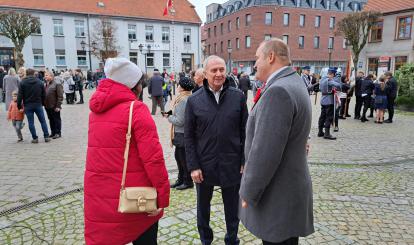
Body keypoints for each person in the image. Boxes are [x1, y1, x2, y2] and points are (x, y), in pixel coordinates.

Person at [84, 58, 170, 245]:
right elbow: (153, 159)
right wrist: (162, 196)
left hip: (101, 196)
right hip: (135, 197)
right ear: (135, 85)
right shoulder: (136, 110)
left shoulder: (96, 111)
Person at [239, 38, 314, 245]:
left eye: (257, 58)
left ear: (270, 57)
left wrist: (248, 191)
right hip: (289, 191)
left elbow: (265, 153)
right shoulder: (294, 81)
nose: (254, 65)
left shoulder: (278, 91)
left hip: (278, 195)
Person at [185, 55, 248, 245]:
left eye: (222, 69)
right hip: (204, 164)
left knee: (232, 208)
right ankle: (206, 240)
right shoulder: (194, 100)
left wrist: (244, 160)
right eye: (214, 70)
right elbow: (188, 137)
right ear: (205, 74)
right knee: (203, 207)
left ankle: (231, 239)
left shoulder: (238, 97)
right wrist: (193, 166)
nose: (219, 74)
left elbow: (245, 131)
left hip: (232, 162)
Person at [164, 77, 194, 190]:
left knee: (183, 159)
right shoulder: (185, 97)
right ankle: (181, 179)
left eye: (179, 85)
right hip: (182, 133)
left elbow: (180, 121)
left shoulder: (183, 100)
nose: (177, 86)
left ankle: (187, 181)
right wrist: (171, 113)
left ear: (182, 87)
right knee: (179, 157)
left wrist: (169, 117)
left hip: (182, 133)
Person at [17, 68, 50, 143]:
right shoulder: (40, 82)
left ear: (26, 73)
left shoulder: (22, 82)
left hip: (28, 105)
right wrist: (43, 103)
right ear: (34, 73)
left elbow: (19, 96)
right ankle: (46, 136)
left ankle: (35, 138)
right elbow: (44, 95)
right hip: (38, 104)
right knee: (43, 121)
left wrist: (19, 106)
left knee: (31, 122)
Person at [318, 68, 343, 140]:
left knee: (322, 116)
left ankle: (320, 132)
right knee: (329, 117)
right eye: (334, 75)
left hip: (323, 100)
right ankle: (327, 133)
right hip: (329, 101)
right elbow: (339, 86)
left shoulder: (322, 79)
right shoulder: (329, 80)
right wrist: (338, 78)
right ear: (332, 74)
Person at [44, 71, 64, 139]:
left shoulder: (57, 84)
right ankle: (53, 132)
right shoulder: (46, 84)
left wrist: (58, 106)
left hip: (55, 106)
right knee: (51, 119)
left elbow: (60, 96)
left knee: (56, 119)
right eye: (45, 75)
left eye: (47, 75)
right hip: (47, 105)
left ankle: (58, 133)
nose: (45, 76)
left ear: (51, 76)